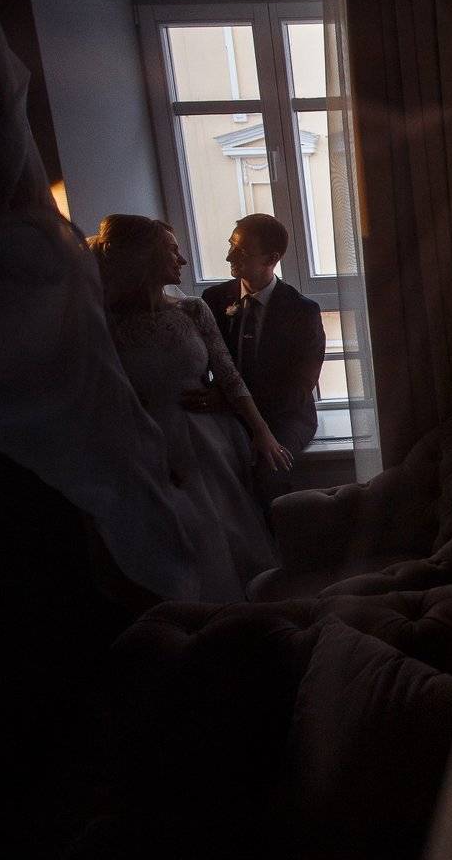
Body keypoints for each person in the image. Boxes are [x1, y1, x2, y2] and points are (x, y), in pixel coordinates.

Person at [89, 214, 288, 599]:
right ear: (145, 258)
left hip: (207, 438)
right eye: (172, 251)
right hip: (147, 443)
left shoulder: (193, 310)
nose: (182, 260)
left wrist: (262, 432)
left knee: (229, 528)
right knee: (182, 537)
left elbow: (229, 375)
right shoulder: (104, 323)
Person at [197, 214, 324, 506]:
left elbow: (298, 390)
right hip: (226, 411)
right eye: (231, 245)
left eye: (241, 251)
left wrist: (236, 406)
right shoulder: (214, 299)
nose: (229, 256)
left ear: (272, 258)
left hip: (285, 416)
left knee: (269, 469)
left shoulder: (302, 311)